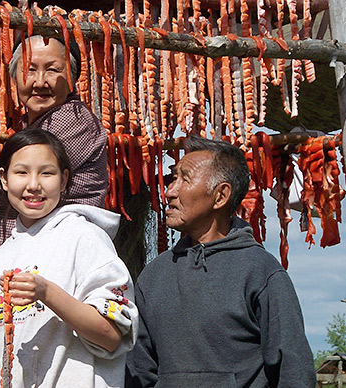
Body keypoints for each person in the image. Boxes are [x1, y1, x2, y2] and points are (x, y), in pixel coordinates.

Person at [125, 135, 316, 388]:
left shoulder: (261, 272)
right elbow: (139, 370)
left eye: (184, 179)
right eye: (173, 179)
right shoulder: (154, 276)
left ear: (220, 196)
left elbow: (294, 370)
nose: (169, 191)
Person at [0, 130, 137, 387]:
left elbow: (111, 334)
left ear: (64, 180)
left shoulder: (84, 238)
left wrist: (47, 292)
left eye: (47, 173)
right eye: (21, 172)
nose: (34, 185)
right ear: (3, 179)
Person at [0, 34, 108, 272]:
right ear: (14, 77)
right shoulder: (36, 124)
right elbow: (19, 218)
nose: (40, 82)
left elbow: (1, 187)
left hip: (48, 270)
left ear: (72, 79)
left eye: (53, 70)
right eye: (30, 69)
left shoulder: (73, 120)